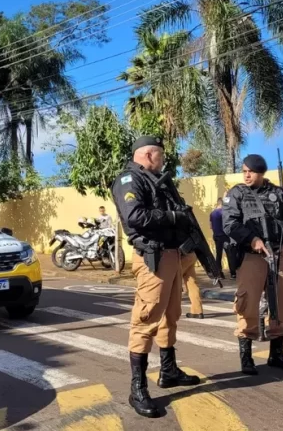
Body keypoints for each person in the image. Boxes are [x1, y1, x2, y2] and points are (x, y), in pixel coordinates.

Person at [111, 136, 200, 418]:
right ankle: (137, 388)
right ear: (148, 154)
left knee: (171, 314)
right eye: (160, 154)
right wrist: (174, 217)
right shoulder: (129, 180)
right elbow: (136, 216)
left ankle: (168, 370)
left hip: (173, 256)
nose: (163, 159)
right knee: (146, 319)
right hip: (153, 258)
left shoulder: (158, 180)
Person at [223, 154, 283, 375]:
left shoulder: (278, 194)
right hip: (251, 256)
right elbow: (230, 224)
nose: (247, 175)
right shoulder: (237, 194)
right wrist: (252, 239)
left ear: (261, 173)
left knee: (281, 303)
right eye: (244, 170)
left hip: (276, 255)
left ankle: (277, 353)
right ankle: (246, 357)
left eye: (251, 171)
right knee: (247, 303)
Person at [211, 198, 237, 279]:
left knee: (218, 255)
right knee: (230, 254)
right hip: (225, 237)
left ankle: (219, 273)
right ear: (222, 204)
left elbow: (210, 226)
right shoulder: (224, 212)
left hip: (216, 236)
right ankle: (233, 274)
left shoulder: (212, 213)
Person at [180, 253, 205, 319]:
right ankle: (197, 311)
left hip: (179, 255)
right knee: (192, 283)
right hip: (191, 254)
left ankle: (170, 312)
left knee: (172, 281)